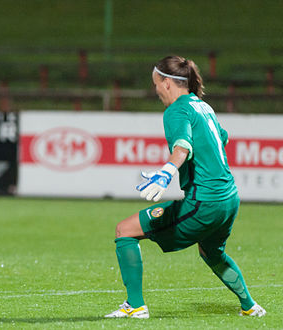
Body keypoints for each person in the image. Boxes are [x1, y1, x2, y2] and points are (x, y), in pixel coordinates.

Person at [104, 56, 266, 319]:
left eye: (156, 83)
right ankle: (249, 306)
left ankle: (135, 305)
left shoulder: (177, 110)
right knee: (212, 251)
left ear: (167, 83)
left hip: (205, 202)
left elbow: (182, 146)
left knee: (125, 231)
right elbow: (222, 137)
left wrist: (166, 173)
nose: (156, 90)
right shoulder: (203, 107)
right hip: (229, 199)